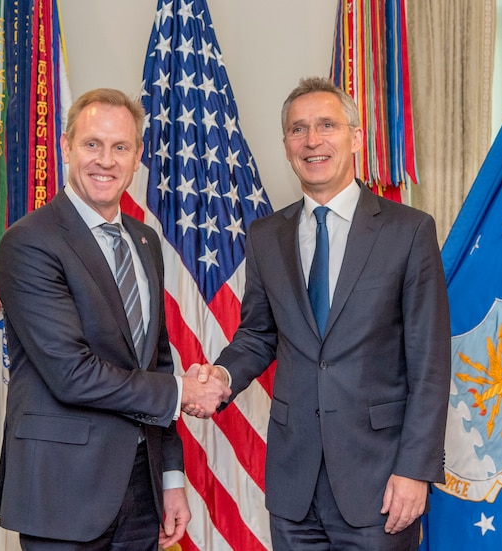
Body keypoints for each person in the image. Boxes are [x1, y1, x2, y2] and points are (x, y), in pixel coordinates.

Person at [187, 77, 451, 550]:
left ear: (355, 136)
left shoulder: (408, 231)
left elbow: (430, 363)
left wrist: (415, 469)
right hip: (294, 484)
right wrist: (221, 377)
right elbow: (257, 335)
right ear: (287, 144)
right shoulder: (267, 235)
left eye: (327, 125)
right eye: (298, 129)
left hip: (380, 482)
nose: (312, 140)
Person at [0, 88, 231, 551]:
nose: (106, 160)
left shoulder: (143, 241)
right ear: (66, 146)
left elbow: (155, 361)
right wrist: (186, 391)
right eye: (92, 144)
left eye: (120, 147)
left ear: (137, 155)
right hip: (63, 492)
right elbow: (72, 374)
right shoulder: (30, 242)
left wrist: (171, 475)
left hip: (142, 491)